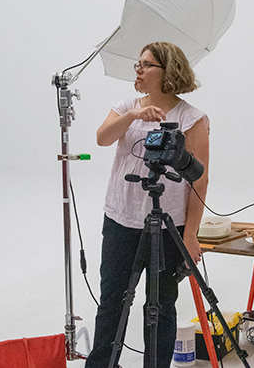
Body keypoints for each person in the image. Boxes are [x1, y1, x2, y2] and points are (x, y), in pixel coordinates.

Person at [86, 42, 209, 368]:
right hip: (120, 221)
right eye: (137, 63)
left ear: (167, 71)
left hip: (169, 226)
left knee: (162, 304)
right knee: (112, 302)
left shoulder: (191, 117)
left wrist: (192, 234)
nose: (137, 69)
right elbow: (102, 137)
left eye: (146, 64)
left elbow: (199, 179)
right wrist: (133, 115)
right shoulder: (126, 105)